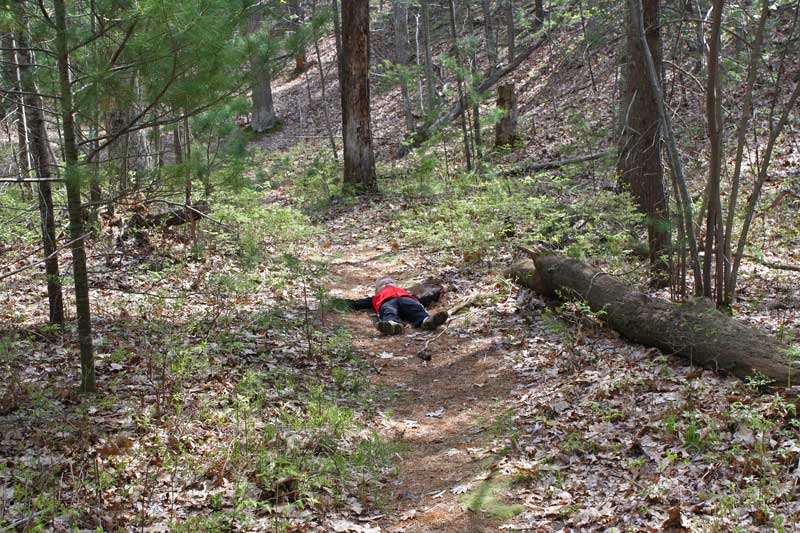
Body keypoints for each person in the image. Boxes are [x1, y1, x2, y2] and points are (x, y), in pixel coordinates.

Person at [343, 276, 448, 335]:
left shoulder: (407, 294)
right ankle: (392, 324)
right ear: (377, 291)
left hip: (407, 300)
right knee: (388, 311)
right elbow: (358, 303)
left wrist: (437, 294)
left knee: (415, 309)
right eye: (382, 284)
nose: (387, 283)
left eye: (390, 282)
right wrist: (338, 302)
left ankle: (427, 321)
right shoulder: (376, 297)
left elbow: (424, 299)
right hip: (387, 302)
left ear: (397, 285)